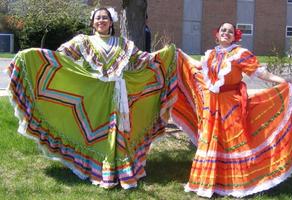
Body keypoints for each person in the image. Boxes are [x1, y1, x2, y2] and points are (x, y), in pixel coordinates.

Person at [7, 7, 177, 189]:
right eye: (98, 18)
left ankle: (118, 169)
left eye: (105, 18)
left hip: (118, 96)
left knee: (117, 131)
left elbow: (142, 61)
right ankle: (93, 167)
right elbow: (60, 57)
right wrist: (32, 55)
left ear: (111, 22)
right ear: (92, 22)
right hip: (92, 96)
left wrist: (165, 55)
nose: (101, 21)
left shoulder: (123, 44)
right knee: (93, 131)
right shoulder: (83, 41)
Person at [172, 23, 292, 198]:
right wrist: (179, 54)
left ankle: (239, 182)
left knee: (234, 142)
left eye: (230, 31)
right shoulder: (212, 54)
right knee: (210, 140)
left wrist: (282, 82)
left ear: (235, 36)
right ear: (217, 35)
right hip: (212, 105)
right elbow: (197, 66)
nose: (226, 33)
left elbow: (260, 73)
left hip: (231, 104)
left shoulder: (239, 54)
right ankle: (208, 181)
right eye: (223, 30)